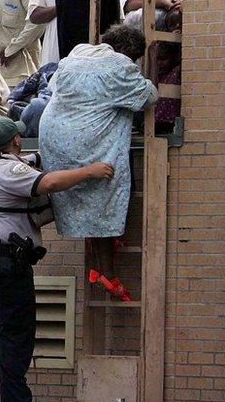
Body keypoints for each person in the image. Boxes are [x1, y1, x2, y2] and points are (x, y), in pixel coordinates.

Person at [0, 117, 115, 402]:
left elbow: (33, 163)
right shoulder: (8, 170)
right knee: (15, 335)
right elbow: (48, 183)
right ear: (16, 140)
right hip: (4, 265)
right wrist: (90, 171)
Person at [39, 24, 157, 297]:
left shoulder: (77, 53)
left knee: (93, 201)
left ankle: (101, 267)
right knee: (106, 194)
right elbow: (149, 96)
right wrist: (150, 60)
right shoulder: (119, 64)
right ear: (128, 51)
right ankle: (109, 273)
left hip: (53, 139)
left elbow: (55, 84)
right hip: (84, 140)